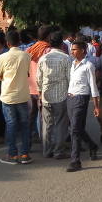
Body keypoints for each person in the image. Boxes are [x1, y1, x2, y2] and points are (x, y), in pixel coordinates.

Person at [0, 31, 33, 165]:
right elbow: (27, 73)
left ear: (7, 43)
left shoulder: (2, 57)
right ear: (20, 41)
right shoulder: (26, 56)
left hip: (8, 95)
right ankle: (25, 154)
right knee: (24, 125)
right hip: (23, 94)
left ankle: (12, 155)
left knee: (11, 125)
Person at [66, 40, 100, 172]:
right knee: (75, 128)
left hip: (81, 99)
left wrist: (96, 106)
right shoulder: (72, 64)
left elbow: (93, 86)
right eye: (72, 49)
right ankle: (92, 146)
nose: (72, 51)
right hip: (70, 98)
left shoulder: (88, 65)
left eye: (75, 49)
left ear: (83, 51)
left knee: (74, 129)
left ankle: (75, 161)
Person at [37, 31, 71, 159]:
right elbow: (70, 78)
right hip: (61, 95)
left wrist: (40, 95)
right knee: (61, 124)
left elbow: (38, 79)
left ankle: (47, 150)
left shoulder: (43, 58)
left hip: (46, 96)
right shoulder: (66, 58)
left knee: (47, 124)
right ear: (62, 44)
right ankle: (58, 151)